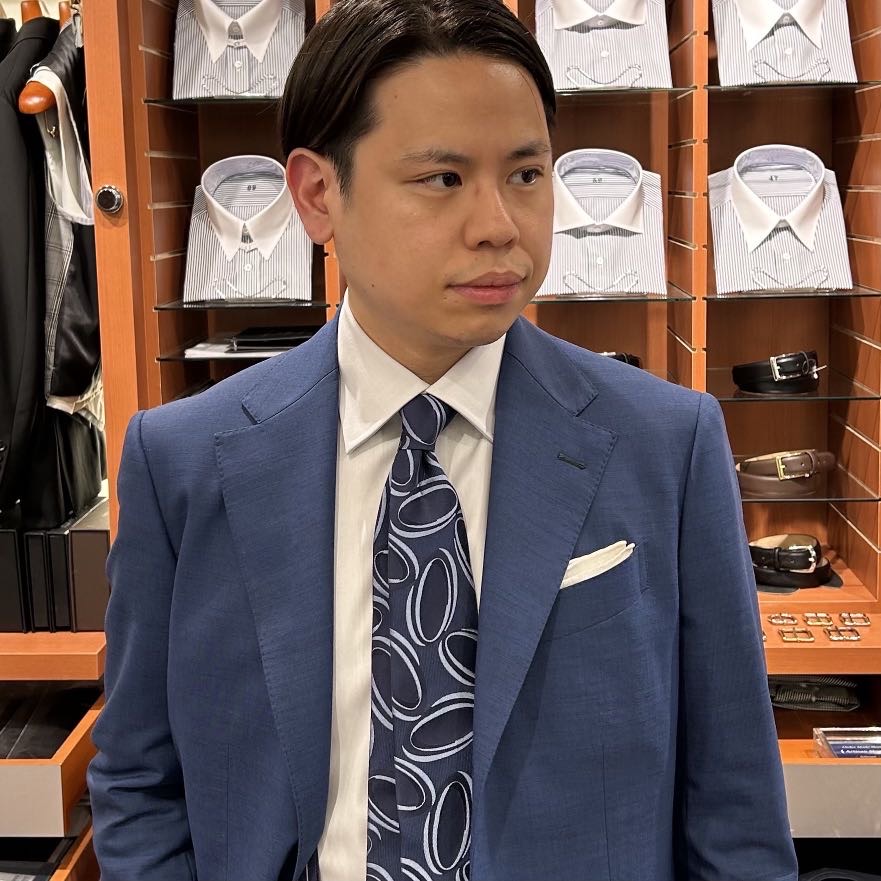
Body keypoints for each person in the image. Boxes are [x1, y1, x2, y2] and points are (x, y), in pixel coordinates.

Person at [87, 0, 799, 878]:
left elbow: (733, 802)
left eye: (526, 174)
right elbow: (139, 775)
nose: (499, 223)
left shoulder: (664, 443)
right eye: (442, 178)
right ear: (317, 195)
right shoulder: (184, 459)